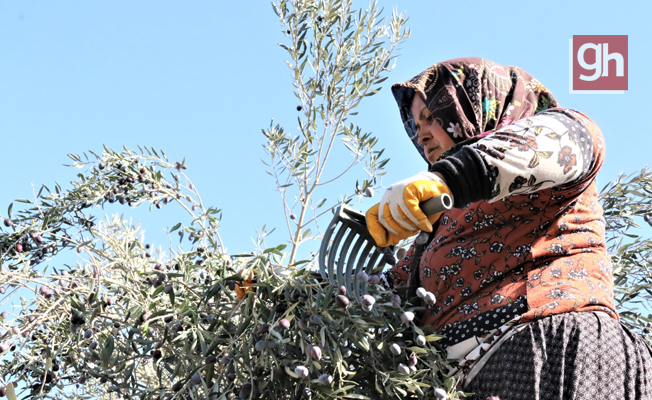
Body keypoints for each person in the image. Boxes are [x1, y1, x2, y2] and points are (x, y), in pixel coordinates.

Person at [365, 57, 652, 399]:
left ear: (472, 104)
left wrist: (449, 177)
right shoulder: (443, 215)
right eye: (416, 125)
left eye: (432, 117)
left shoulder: (557, 133)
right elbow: (393, 291)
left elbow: (549, 146)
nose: (422, 134)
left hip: (549, 350)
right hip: (475, 381)